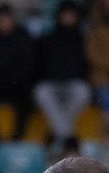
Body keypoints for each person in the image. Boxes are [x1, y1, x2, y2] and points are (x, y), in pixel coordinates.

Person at [33, 1, 92, 152]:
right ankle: (68, 137)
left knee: (82, 91)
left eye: (71, 15)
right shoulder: (47, 39)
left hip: (73, 83)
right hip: (52, 83)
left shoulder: (83, 39)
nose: (68, 18)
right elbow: (39, 65)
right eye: (65, 15)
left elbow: (86, 66)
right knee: (41, 91)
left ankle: (58, 134)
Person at [0, 3, 37, 141]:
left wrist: (14, 79)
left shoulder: (22, 37)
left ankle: (18, 135)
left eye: (7, 19)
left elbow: (27, 64)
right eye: (1, 20)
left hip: (16, 83)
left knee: (26, 98)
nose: (4, 23)